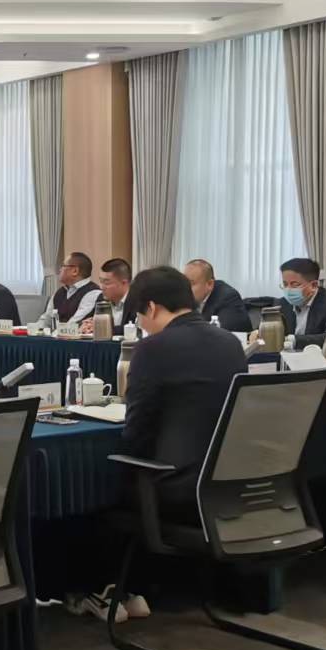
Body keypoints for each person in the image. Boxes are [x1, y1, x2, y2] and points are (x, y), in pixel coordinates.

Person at [74, 267, 248, 622]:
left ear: (151, 308)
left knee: (88, 490)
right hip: (226, 483)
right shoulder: (229, 342)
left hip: (179, 487)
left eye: (139, 316)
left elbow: (137, 430)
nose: (141, 324)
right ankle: (135, 588)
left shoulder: (153, 348)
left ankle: (102, 588)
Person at [276, 257, 326, 348]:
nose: (288, 289)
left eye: (295, 284)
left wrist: (293, 340)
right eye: (285, 284)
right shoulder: (282, 303)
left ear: (314, 285)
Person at [183, 259, 252, 332]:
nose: (185, 288)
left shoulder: (227, 298)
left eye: (191, 283)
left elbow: (219, 333)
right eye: (184, 282)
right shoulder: (184, 297)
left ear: (209, 284)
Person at [51, 252, 101, 324]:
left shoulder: (93, 293)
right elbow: (46, 320)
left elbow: (73, 324)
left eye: (63, 266)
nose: (60, 270)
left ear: (75, 271)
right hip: (56, 331)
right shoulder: (60, 292)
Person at [93, 258, 133, 332]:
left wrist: (104, 329)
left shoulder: (138, 300)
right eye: (101, 281)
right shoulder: (101, 298)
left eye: (106, 283)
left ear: (124, 283)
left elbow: (135, 329)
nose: (101, 287)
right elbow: (92, 321)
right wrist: (87, 325)